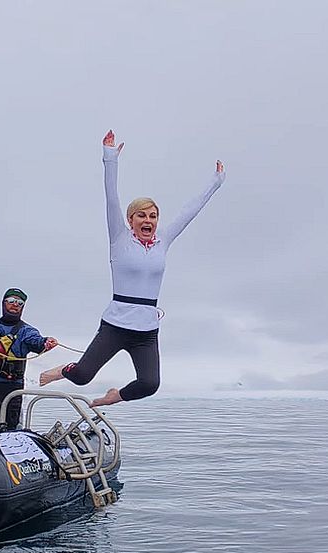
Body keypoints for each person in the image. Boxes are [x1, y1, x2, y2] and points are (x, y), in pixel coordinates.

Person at [39, 129, 225, 406]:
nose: (148, 220)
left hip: (146, 331)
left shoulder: (164, 241)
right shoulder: (119, 238)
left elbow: (190, 211)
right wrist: (110, 158)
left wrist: (216, 182)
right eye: (141, 215)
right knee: (82, 376)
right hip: (115, 324)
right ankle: (63, 370)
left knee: (150, 384)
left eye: (152, 215)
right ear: (130, 219)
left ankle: (114, 396)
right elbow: (111, 197)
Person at [0, 287, 58, 429]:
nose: (15, 305)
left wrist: (45, 342)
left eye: (20, 303)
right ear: (3, 303)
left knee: (9, 427)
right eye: (11, 301)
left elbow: (37, 342)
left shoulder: (26, 331)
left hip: (10, 390)